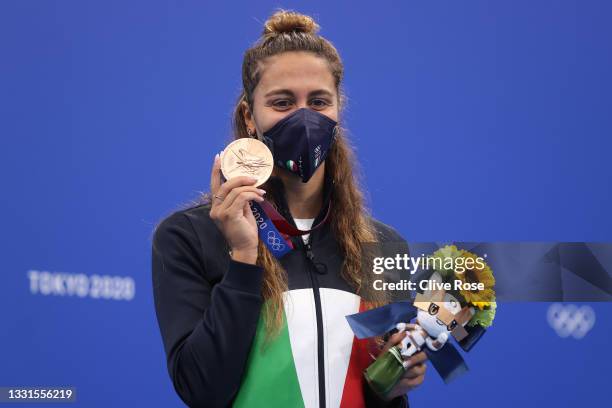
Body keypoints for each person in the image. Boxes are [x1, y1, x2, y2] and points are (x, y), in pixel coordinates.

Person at [151, 9, 426, 408]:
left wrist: (395, 382)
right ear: (250, 116)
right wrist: (244, 259)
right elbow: (202, 391)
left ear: (338, 110)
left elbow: (381, 396)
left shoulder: (384, 246)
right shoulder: (189, 236)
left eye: (318, 101)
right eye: (282, 102)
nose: (304, 117)